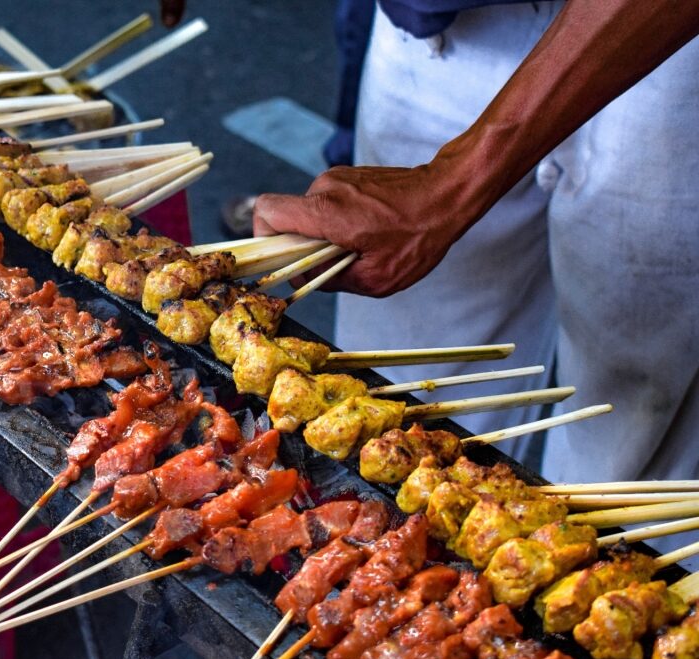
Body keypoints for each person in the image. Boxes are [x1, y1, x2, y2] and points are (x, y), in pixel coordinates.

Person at [224, 0, 697, 485]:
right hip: (448, 26)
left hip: (673, 57)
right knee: (383, 393)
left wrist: (452, 183)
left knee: (629, 415)